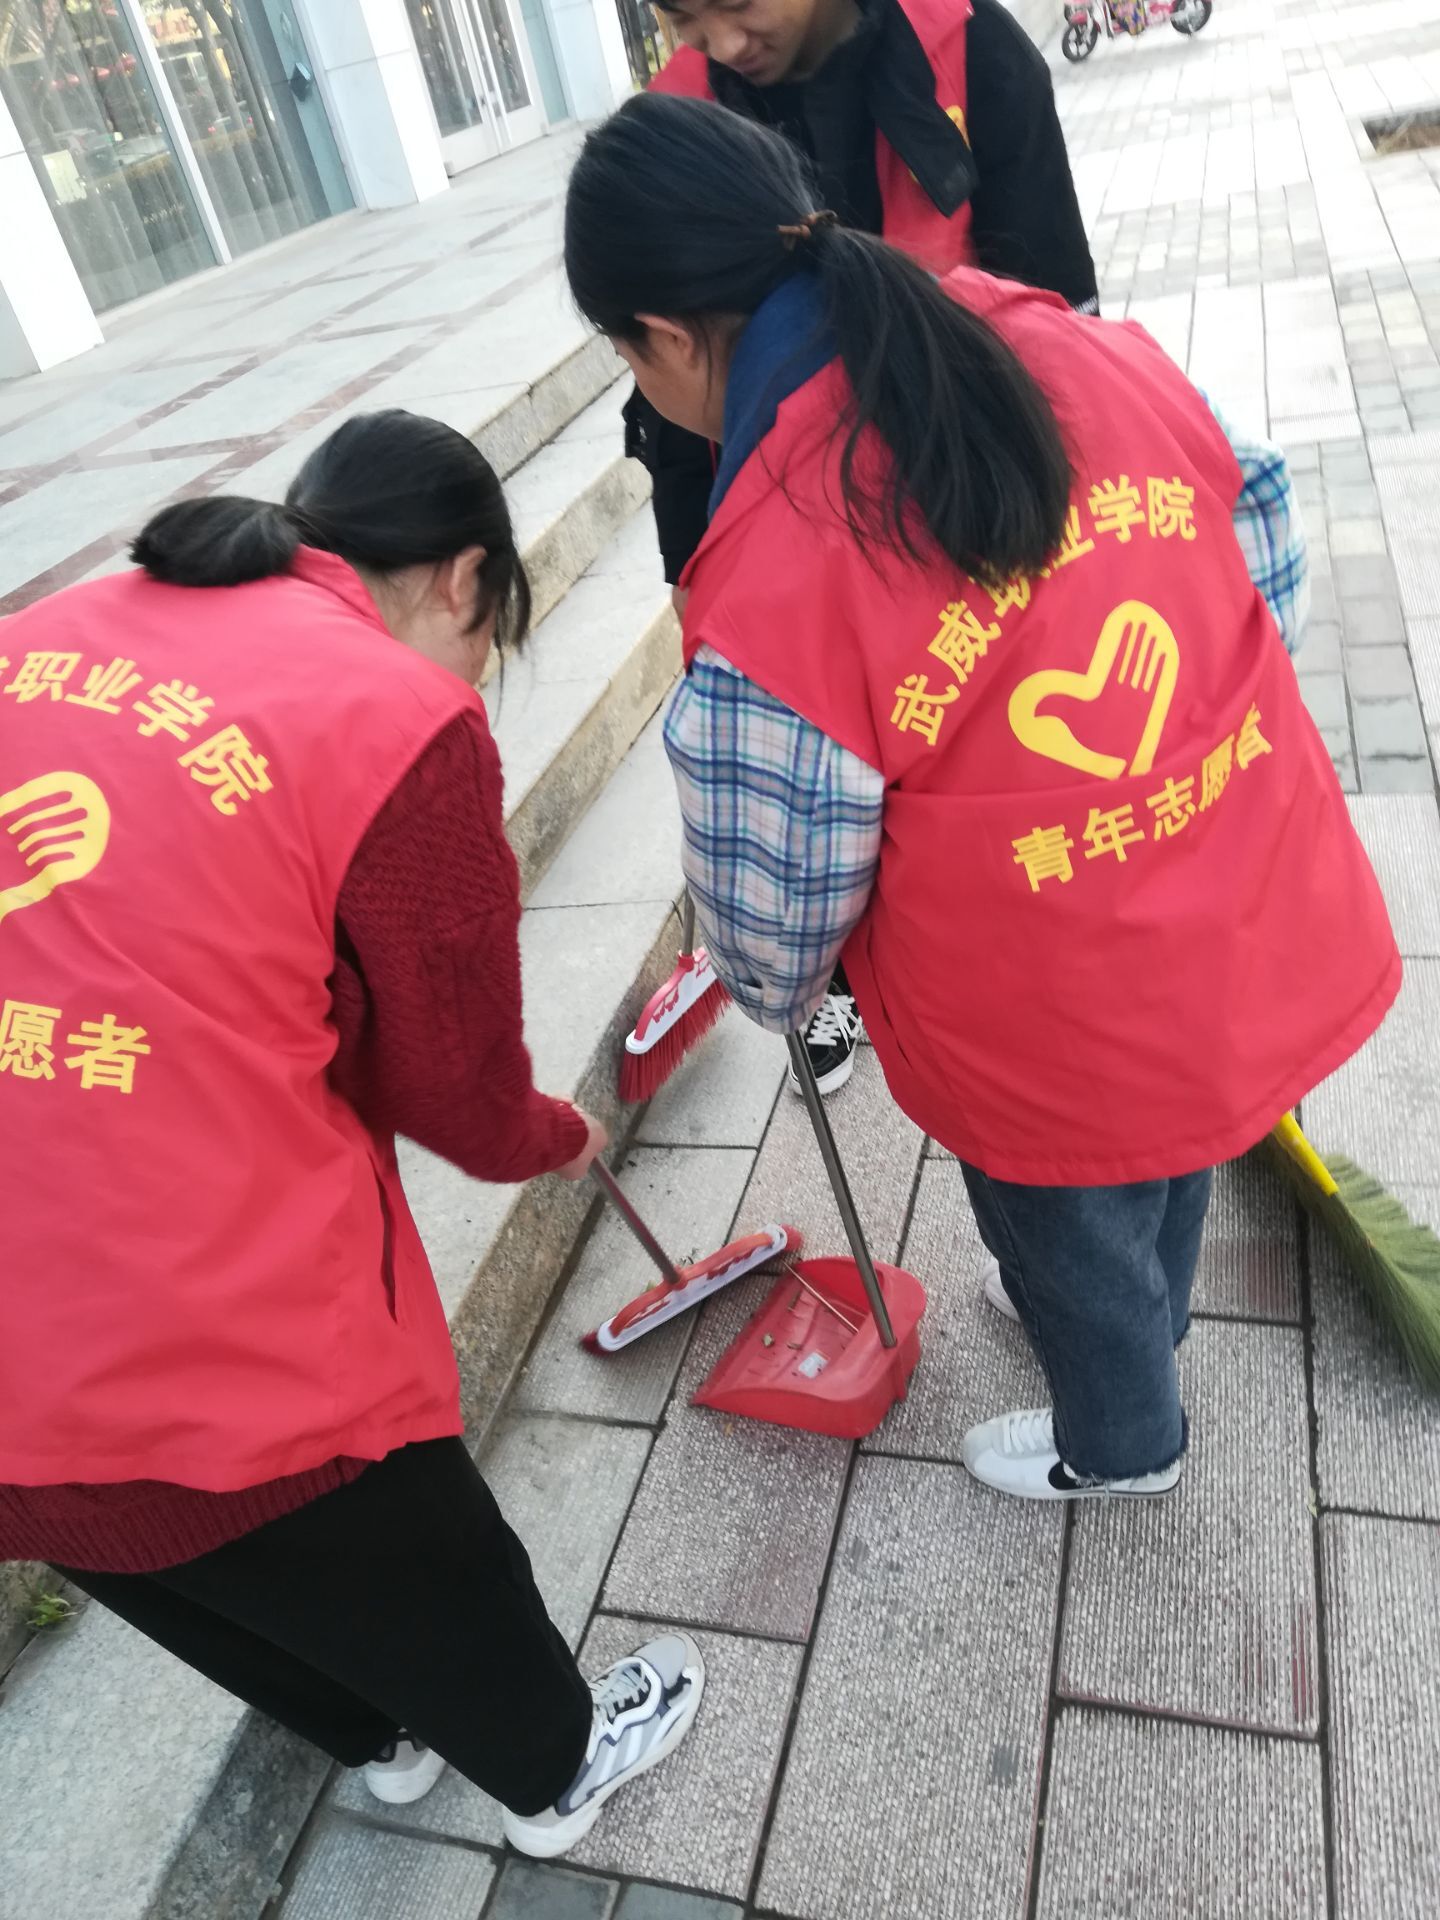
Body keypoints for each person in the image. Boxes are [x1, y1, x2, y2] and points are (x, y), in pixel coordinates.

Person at [564, 96, 1401, 1500]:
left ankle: (1122, 1445)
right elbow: (1257, 524)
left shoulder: (777, 562)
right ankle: (1140, 1316)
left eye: (628, 362)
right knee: (1174, 1137)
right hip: (1215, 887)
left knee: (1063, 1222)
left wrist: (779, 993)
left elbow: (775, 912)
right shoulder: (1061, 340)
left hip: (1041, 1005)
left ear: (662, 338)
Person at [0, 411, 702, 1855]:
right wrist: (550, 1133)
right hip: (201, 1305)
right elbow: (447, 1088)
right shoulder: (393, 722)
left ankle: (384, 1737)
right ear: (463, 579)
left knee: (159, 1561)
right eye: (492, 639)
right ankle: (560, 1769)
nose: (478, 677)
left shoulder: (45, 635)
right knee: (413, 1550)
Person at [632, 0, 1100, 1096]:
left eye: (738, 5)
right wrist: (689, 575)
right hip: (789, 546)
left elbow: (1061, 324)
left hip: (967, 528)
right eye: (685, 16)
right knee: (829, 798)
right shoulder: (685, 113)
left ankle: (1021, 954)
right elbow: (669, 404)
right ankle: (848, 984)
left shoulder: (973, 57)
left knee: (981, 785)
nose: (722, 43)